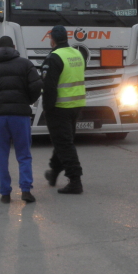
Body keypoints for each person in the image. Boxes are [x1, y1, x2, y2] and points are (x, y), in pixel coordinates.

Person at [0, 36, 43, 204]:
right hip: (20, 115)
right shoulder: (25, 64)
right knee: (24, 154)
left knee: (2, 155)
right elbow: (36, 85)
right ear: (13, 47)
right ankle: (26, 190)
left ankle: (5, 193)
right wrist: (27, 100)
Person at [41, 25, 85, 194]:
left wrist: (47, 108)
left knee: (64, 144)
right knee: (63, 140)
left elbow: (49, 87)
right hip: (76, 105)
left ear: (52, 39)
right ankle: (53, 172)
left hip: (59, 107)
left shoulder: (54, 57)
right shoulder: (77, 54)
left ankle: (75, 180)